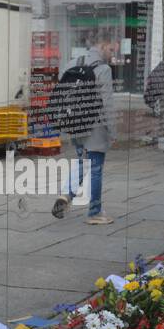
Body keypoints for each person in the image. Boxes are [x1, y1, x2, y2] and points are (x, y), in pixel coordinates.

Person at [52, 33, 117, 225]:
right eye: (111, 49)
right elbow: (107, 104)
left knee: (83, 162)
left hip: (75, 122)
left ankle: (66, 195)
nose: (112, 54)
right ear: (103, 45)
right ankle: (94, 213)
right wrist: (112, 131)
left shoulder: (71, 63)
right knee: (95, 167)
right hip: (95, 125)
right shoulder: (103, 69)